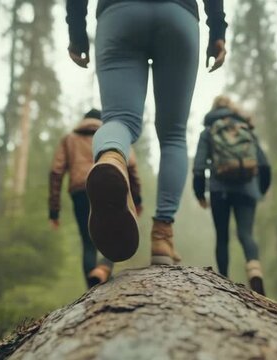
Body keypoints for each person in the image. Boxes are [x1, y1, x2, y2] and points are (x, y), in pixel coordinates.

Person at [66, 0, 227, 264]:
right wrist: (217, 30)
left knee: (119, 120)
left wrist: (77, 32)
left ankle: (111, 159)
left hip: (118, 15)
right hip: (179, 15)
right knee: (174, 134)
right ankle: (163, 236)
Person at [49, 109, 143, 287]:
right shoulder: (115, 137)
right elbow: (131, 167)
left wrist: (54, 210)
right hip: (110, 184)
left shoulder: (70, 139)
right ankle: (104, 266)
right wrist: (137, 200)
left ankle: (93, 289)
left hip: (80, 191)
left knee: (88, 241)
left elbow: (56, 171)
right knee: (114, 232)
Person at [192, 95, 271, 295]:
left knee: (222, 236)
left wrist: (200, 193)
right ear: (232, 108)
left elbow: (199, 167)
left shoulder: (209, 130)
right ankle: (254, 270)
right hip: (247, 188)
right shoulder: (245, 128)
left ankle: (224, 281)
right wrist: (259, 191)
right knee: (246, 234)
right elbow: (264, 165)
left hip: (220, 190)